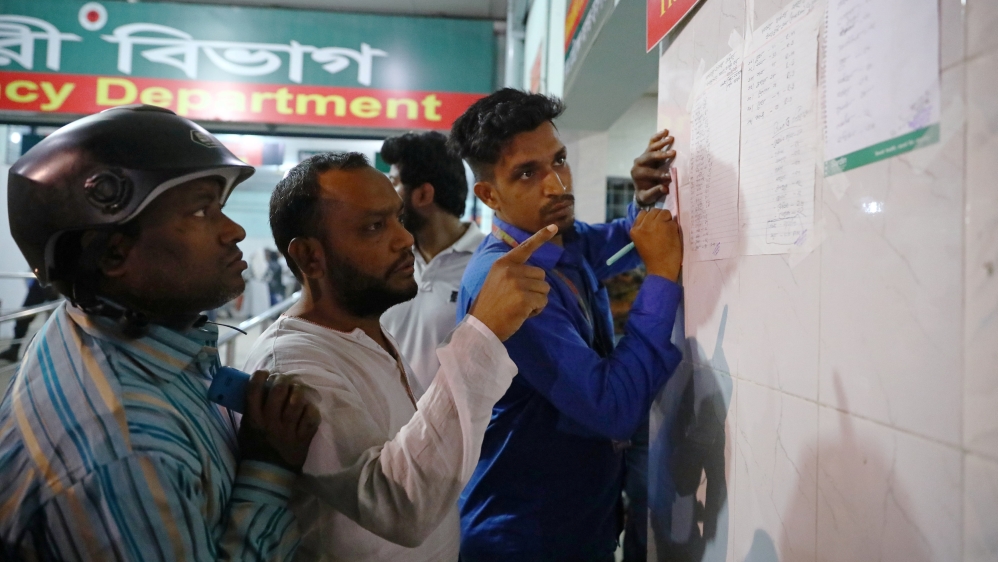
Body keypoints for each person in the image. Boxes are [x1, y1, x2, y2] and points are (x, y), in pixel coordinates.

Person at [0, 105, 320, 560]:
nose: (234, 231)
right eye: (201, 211)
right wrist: (269, 468)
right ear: (113, 255)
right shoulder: (125, 456)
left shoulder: (103, 326)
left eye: (220, 207)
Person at [244, 152, 555, 562]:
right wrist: (483, 332)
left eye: (398, 218)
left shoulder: (364, 332)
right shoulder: (292, 365)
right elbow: (401, 505)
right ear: (309, 257)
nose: (405, 238)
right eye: (374, 227)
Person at [449, 88, 684, 561]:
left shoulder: (557, 242)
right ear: (489, 195)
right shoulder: (511, 283)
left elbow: (616, 244)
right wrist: (661, 277)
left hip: (577, 525)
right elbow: (612, 407)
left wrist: (644, 202)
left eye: (558, 160)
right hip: (526, 539)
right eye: (527, 173)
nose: (557, 185)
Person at [379, 131, 485, 394]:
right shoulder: (386, 260)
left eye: (394, 184)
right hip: (388, 419)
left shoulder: (488, 265)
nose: (385, 199)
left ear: (423, 195)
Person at [0, 277, 60, 363]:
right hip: (44, 281)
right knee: (23, 317)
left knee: (55, 321)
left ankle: (15, 350)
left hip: (54, 281)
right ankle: (14, 350)